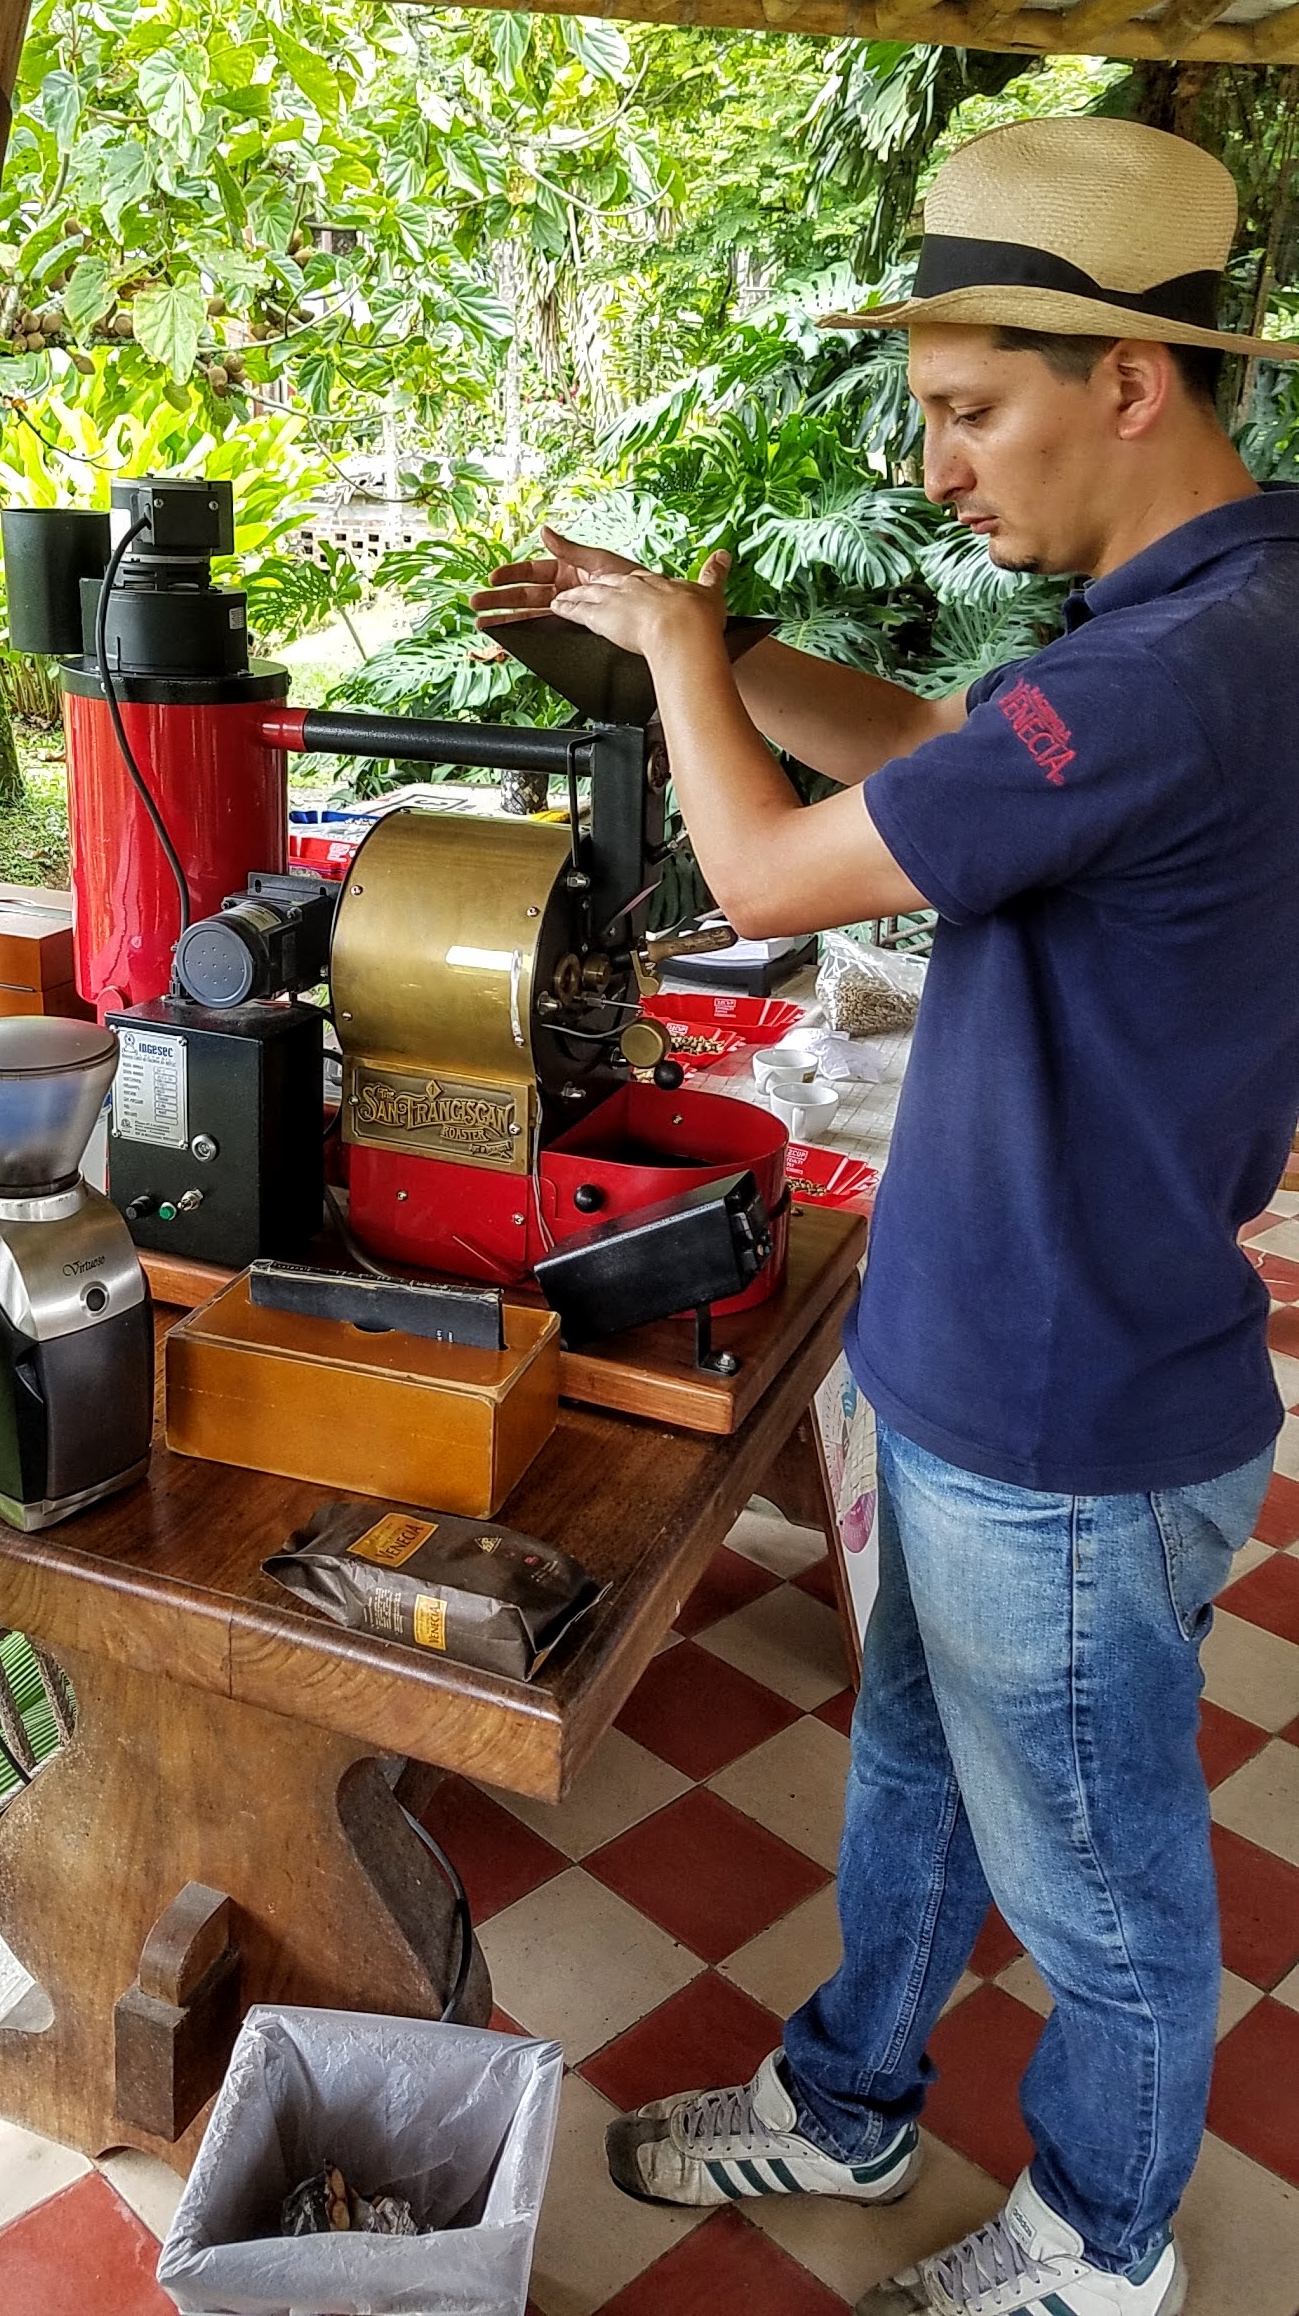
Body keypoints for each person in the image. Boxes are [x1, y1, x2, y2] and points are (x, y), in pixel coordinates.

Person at [470, 116, 1299, 2316]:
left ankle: (1106, 2246)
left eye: (968, 411)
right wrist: (697, 655)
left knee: (1102, 1878)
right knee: (919, 1779)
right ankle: (852, 2093)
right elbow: (950, 747)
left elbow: (758, 877)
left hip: (1069, 1395)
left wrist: (671, 647)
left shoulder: (1182, 668)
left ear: (1131, 378)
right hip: (990, 1348)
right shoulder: (1222, 612)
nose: (939, 470)